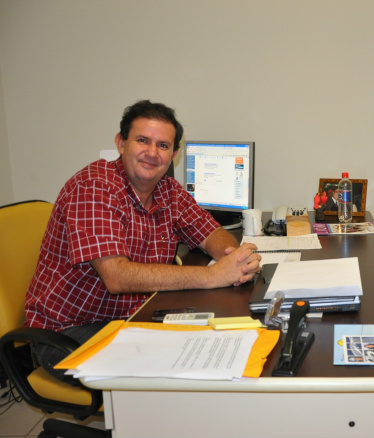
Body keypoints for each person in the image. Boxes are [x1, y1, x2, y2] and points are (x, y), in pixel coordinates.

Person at [25, 100, 262, 379]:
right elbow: (117, 277)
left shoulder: (167, 190)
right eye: (142, 140)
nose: (152, 153)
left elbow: (210, 232)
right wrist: (213, 276)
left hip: (132, 317)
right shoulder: (94, 187)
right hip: (69, 330)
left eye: (162, 145)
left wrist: (233, 258)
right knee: (187, 364)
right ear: (121, 143)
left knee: (223, 339)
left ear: (173, 153)